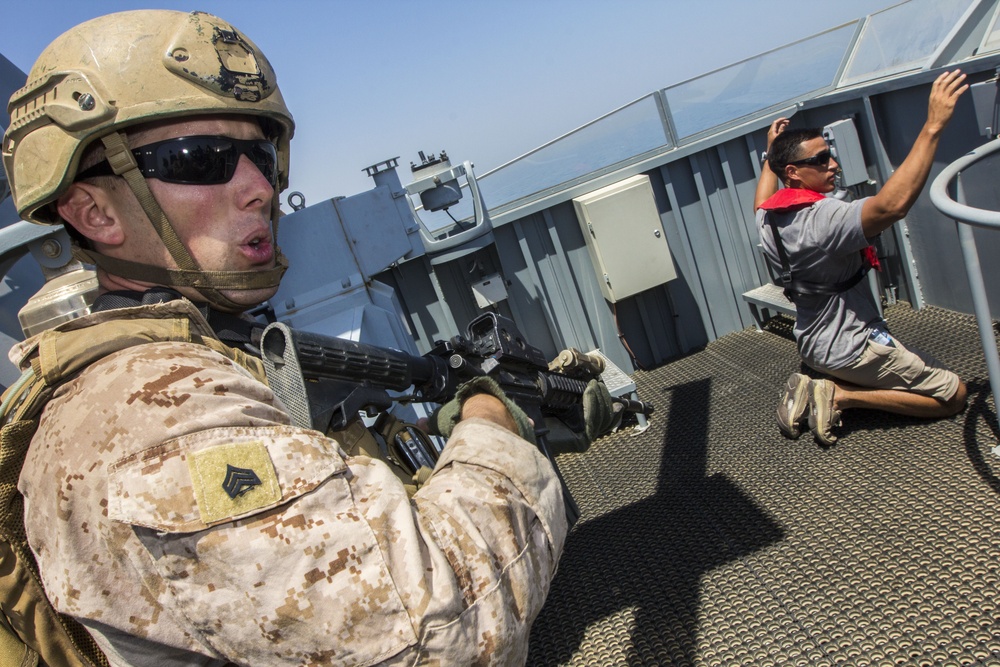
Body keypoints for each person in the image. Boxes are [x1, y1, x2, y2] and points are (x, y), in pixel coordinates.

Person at [0, 10, 585, 665]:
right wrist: (493, 417)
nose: (260, 187)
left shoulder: (166, 364)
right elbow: (446, 632)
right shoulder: (153, 415)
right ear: (95, 212)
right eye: (201, 159)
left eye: (261, 154)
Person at [753, 69, 970, 446]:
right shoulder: (823, 220)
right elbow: (891, 207)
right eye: (820, 160)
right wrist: (933, 126)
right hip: (852, 349)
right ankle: (841, 395)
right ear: (794, 173)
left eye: (830, 155)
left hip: (812, 342)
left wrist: (769, 157)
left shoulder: (769, 218)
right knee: (952, 395)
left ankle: (818, 379)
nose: (833, 164)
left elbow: (762, 197)